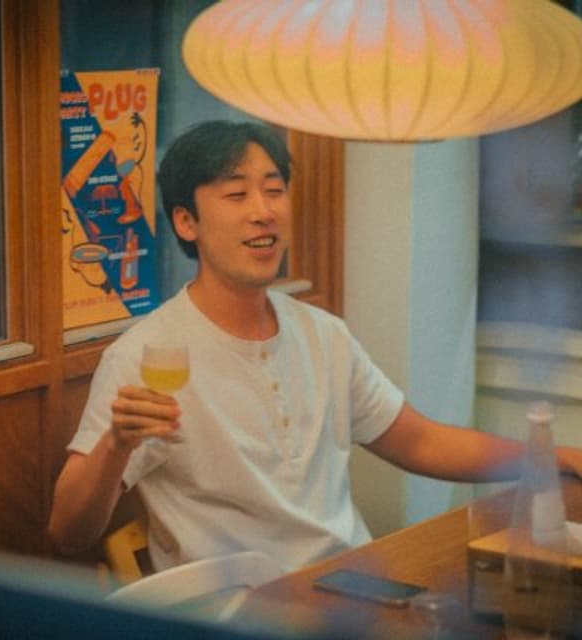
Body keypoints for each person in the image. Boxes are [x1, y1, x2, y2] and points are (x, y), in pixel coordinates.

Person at [48, 120, 582, 573]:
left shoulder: (322, 334)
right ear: (187, 222)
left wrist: (551, 456)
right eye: (236, 195)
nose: (263, 211)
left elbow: (420, 442)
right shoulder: (145, 354)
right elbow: (67, 532)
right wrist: (116, 444)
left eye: (274, 189)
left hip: (348, 588)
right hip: (236, 608)